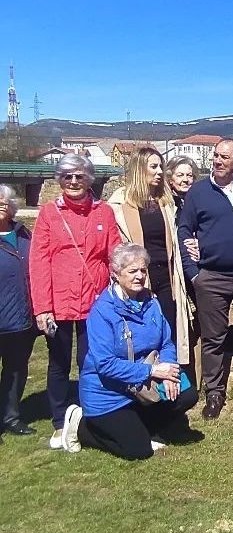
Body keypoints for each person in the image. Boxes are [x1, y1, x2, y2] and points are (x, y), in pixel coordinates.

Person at [62, 243, 198, 459]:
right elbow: (105, 364)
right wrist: (153, 372)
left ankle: (146, 427)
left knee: (187, 393)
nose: (140, 276)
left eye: (143, 270)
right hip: (108, 394)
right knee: (139, 450)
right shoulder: (102, 311)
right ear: (115, 274)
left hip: (141, 387)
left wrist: (171, 372)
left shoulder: (151, 302)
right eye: (132, 271)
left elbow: (166, 343)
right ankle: (81, 425)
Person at [30, 154, 122, 449]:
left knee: (90, 361)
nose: (73, 181)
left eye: (79, 176)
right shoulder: (49, 213)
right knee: (59, 362)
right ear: (59, 180)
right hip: (58, 300)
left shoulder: (103, 212)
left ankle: (87, 413)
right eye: (67, 176)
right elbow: (39, 260)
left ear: (89, 180)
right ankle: (59, 420)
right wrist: (42, 307)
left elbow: (114, 252)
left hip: (94, 300)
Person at [177, 138, 233, 419]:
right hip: (212, 277)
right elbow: (184, 231)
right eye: (216, 155)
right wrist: (196, 276)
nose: (217, 161)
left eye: (224, 157)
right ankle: (214, 392)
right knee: (213, 339)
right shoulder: (198, 192)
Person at [107, 147, 195, 386]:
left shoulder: (166, 202)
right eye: (153, 167)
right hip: (137, 279)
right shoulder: (119, 203)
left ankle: (173, 379)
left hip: (166, 277)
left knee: (167, 329)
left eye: (161, 167)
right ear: (139, 169)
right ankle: (141, 380)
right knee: (140, 332)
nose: (159, 172)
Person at [0, 186, 36, 438]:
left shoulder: (24, 234)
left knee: (16, 369)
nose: (2, 205)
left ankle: (10, 416)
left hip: (20, 317)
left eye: (5, 201)